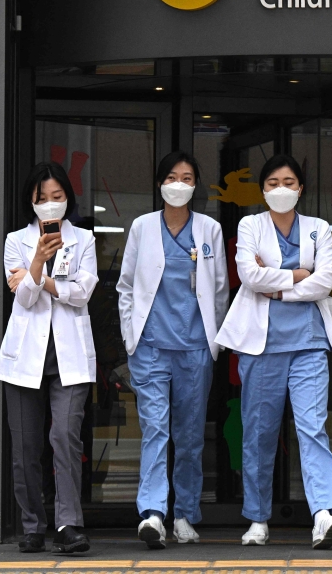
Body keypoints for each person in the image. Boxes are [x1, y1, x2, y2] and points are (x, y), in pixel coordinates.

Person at [214, 155, 332, 549]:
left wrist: (275, 287)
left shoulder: (318, 228)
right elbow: (248, 276)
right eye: (272, 183)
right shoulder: (250, 225)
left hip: (309, 343)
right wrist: (295, 277)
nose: (281, 189)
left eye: (289, 182)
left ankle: (324, 513)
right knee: (258, 432)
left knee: (312, 428)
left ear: (301, 188)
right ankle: (258, 518)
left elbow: (324, 283)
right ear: (263, 190)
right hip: (262, 346)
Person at [116, 151, 229, 549]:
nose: (179, 184)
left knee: (190, 435)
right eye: (172, 177)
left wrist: (213, 343)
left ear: (195, 185)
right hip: (150, 348)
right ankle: (152, 513)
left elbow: (218, 290)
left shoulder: (209, 230)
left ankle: (184, 513)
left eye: (187, 178)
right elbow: (126, 286)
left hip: (195, 348)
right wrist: (132, 337)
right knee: (155, 431)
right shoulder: (143, 227)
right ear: (161, 183)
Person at [0, 161, 98, 555]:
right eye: (43, 199)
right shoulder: (15, 241)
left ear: (68, 199)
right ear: (31, 202)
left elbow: (83, 291)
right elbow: (21, 298)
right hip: (26, 355)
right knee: (25, 446)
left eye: (57, 197)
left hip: (69, 355)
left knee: (64, 437)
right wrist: (38, 259)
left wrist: (38, 280)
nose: (50, 205)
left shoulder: (84, 239)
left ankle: (68, 524)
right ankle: (33, 525)